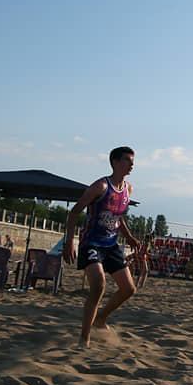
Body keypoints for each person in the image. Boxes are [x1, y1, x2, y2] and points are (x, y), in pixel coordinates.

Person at [63, 146, 140, 347]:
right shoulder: (100, 186)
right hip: (92, 242)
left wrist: (129, 237)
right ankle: (84, 338)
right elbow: (74, 213)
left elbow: (118, 216)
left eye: (133, 161)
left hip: (111, 244)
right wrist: (69, 241)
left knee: (129, 289)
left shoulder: (128, 189)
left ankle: (101, 319)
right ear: (114, 162)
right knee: (98, 285)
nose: (132, 164)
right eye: (127, 160)